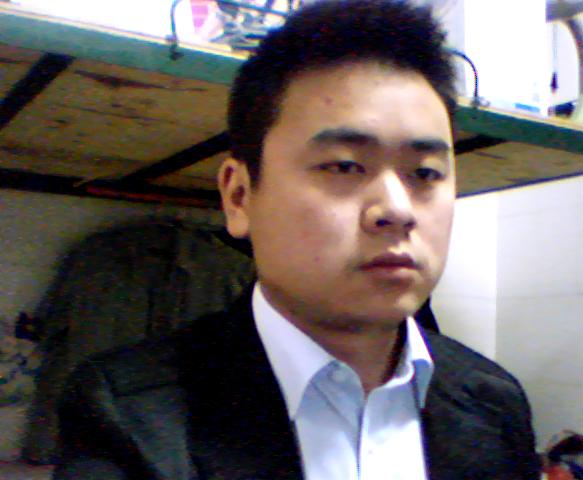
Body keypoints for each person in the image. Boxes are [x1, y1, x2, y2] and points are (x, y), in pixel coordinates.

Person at [53, 1, 540, 479]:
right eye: (344, 166)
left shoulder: (495, 402)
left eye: (426, 173)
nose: (397, 210)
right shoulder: (127, 414)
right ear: (240, 196)